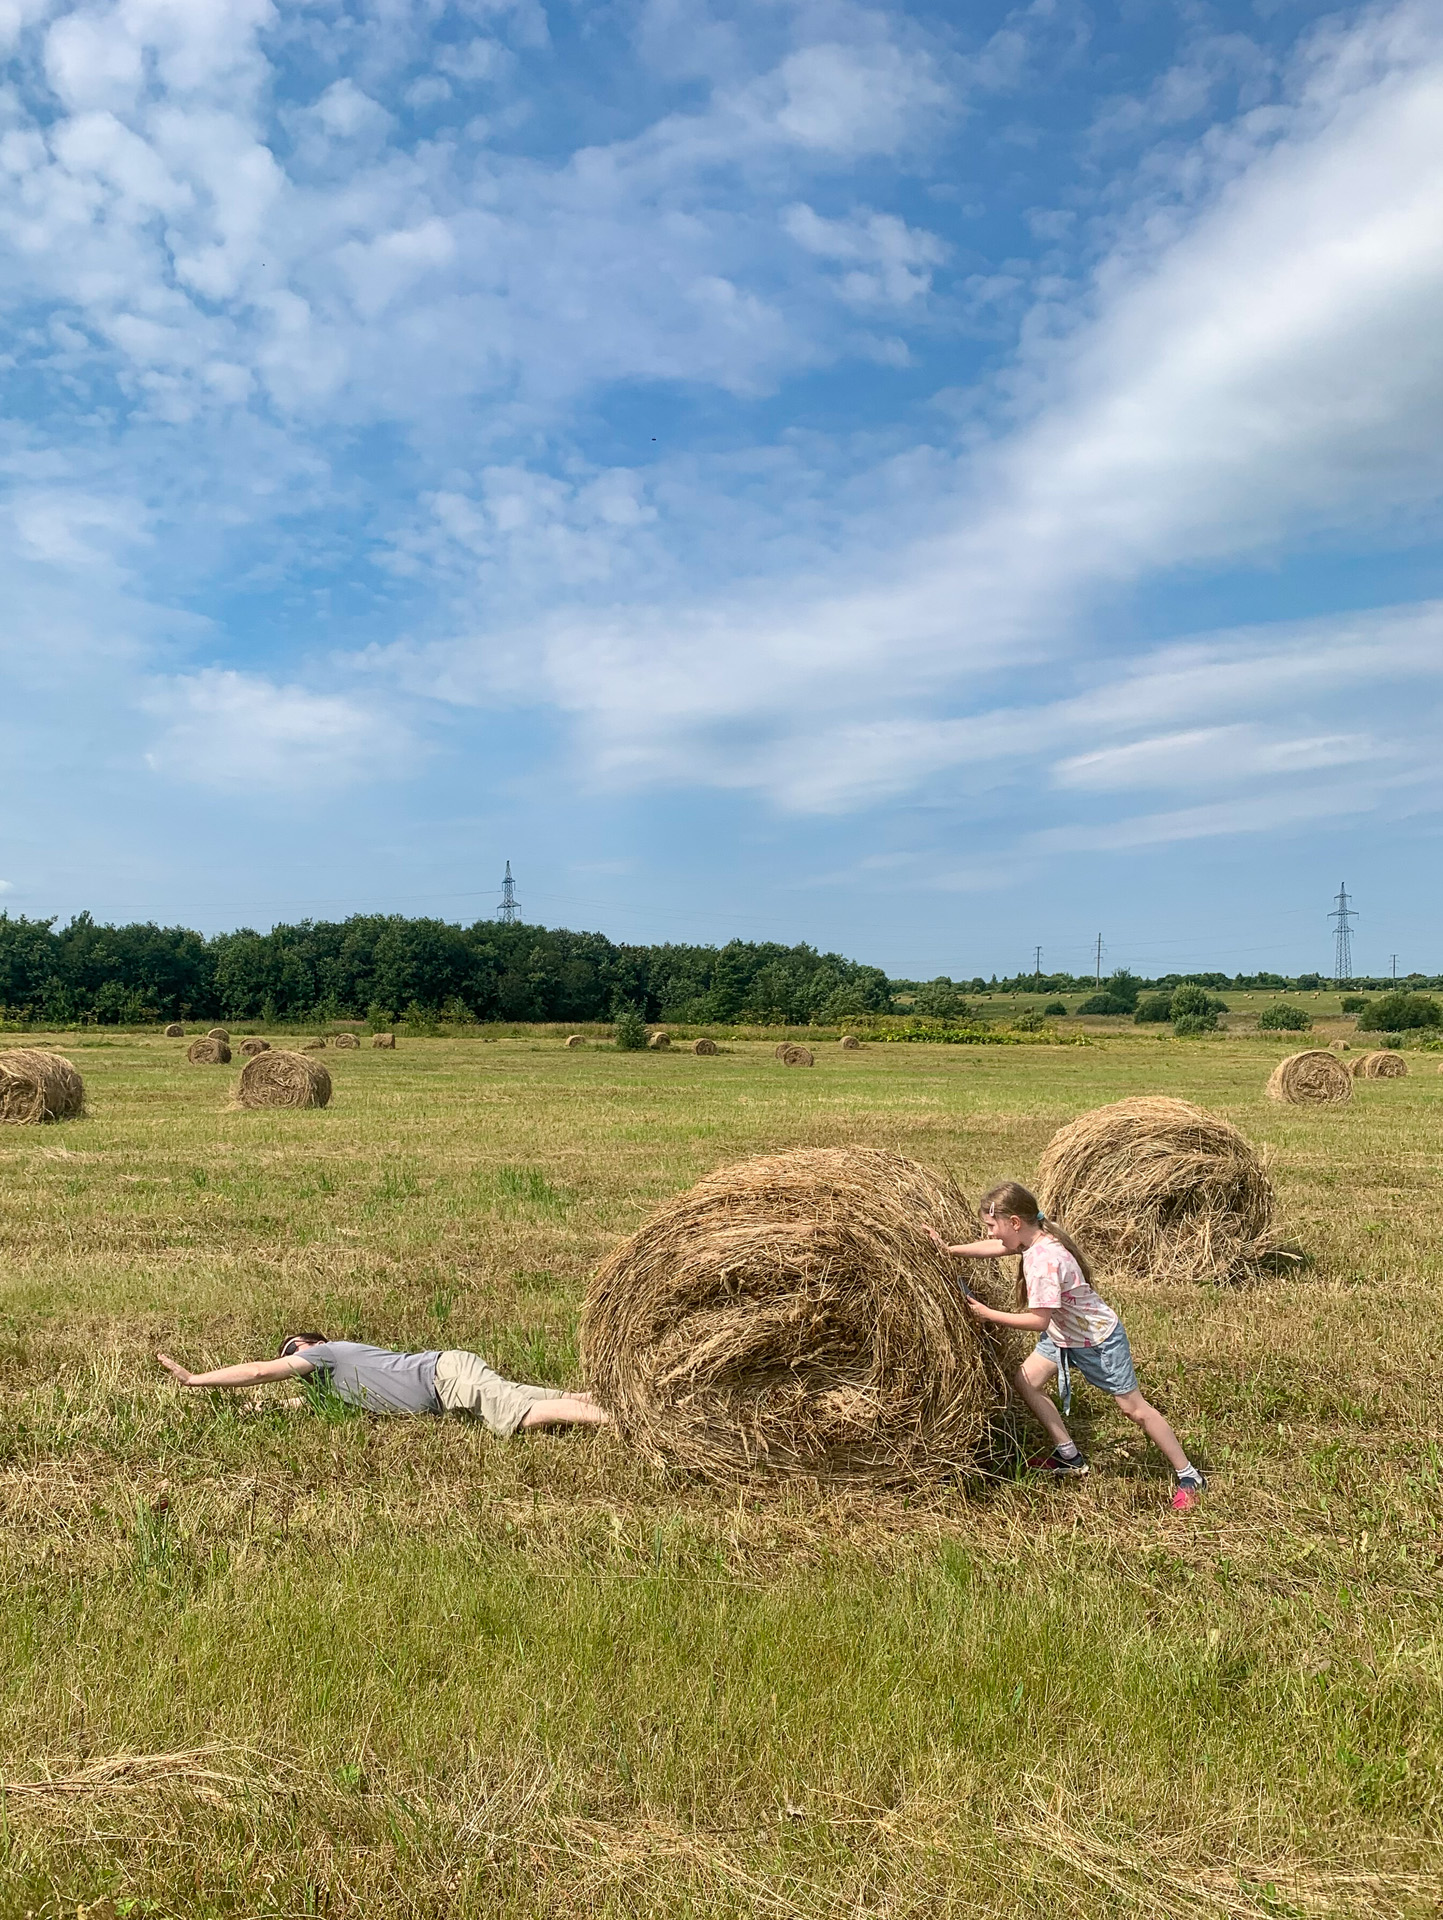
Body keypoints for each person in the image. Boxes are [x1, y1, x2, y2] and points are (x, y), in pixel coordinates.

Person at [924, 1182, 1206, 1511]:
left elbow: (1037, 1321)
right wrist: (949, 1250)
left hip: (1098, 1341)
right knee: (1026, 1381)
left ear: (1014, 1222)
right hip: (1064, 1336)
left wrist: (987, 1314)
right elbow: (999, 1249)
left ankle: (1189, 1475)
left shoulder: (1044, 1261)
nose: (989, 1235)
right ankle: (1069, 1456)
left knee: (1134, 1410)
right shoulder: (1035, 1239)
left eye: (991, 1227)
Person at [156, 1334, 610, 1436]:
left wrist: (196, 1380)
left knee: (522, 1416)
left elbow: (257, 1373)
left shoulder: (328, 1354)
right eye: (287, 1353)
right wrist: (241, 1413)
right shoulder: (331, 1390)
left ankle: (616, 1420)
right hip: (446, 1386)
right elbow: (292, 1406)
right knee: (552, 1398)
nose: (290, 1357)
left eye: (294, 1348)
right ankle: (618, 1398)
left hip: (444, 1376)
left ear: (315, 1343)